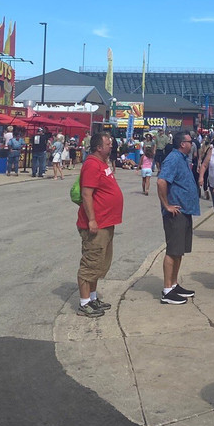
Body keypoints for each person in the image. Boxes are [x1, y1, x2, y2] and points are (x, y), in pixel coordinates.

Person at [75, 132, 123, 318]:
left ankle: (93, 298)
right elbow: (87, 194)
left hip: (107, 222)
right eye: (108, 144)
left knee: (100, 263)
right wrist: (92, 220)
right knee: (90, 263)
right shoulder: (91, 165)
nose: (111, 146)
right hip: (96, 224)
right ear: (98, 147)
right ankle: (84, 303)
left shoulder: (102, 164)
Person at [157, 131, 200, 305]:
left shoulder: (182, 159)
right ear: (182, 144)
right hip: (175, 212)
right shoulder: (173, 159)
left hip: (185, 210)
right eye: (190, 142)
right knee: (173, 250)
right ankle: (167, 290)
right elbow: (161, 181)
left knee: (180, 250)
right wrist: (167, 205)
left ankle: (174, 284)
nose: (192, 144)